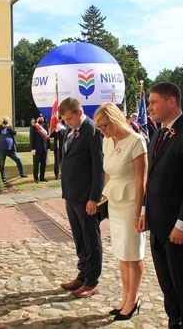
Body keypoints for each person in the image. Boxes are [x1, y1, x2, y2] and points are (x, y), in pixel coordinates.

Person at [138, 82, 183, 329]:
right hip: (158, 223)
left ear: (171, 102)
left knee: (182, 283)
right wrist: (145, 210)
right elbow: (152, 176)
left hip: (179, 227)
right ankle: (174, 323)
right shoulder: (158, 133)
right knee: (167, 285)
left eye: (154, 101)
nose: (149, 107)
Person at [94, 103, 147, 321]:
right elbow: (108, 172)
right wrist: (103, 198)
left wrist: (140, 212)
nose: (103, 131)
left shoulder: (136, 141)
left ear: (116, 119)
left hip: (131, 201)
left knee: (133, 253)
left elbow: (141, 179)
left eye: (105, 126)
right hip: (115, 201)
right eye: (99, 127)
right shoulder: (107, 140)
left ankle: (133, 299)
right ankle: (125, 296)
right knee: (121, 253)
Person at [58, 97, 104, 298]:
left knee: (91, 240)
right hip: (71, 195)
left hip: (86, 197)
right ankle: (82, 274)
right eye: (64, 119)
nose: (66, 122)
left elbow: (98, 168)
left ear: (79, 112)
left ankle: (92, 281)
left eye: (69, 118)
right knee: (79, 239)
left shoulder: (92, 131)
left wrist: (94, 198)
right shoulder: (71, 130)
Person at [0, 116, 27, 182]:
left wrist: (8, 127)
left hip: (11, 150)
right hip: (1, 150)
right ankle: (3, 178)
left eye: (6, 121)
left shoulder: (10, 128)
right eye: (4, 121)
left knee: (18, 160)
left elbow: (14, 133)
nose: (5, 122)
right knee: (2, 164)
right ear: (2, 121)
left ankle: (22, 174)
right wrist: (0, 125)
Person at [29, 115, 50, 183]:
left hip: (44, 149)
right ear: (37, 119)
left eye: (42, 118)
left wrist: (48, 147)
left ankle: (42, 177)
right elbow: (31, 139)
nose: (41, 119)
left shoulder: (45, 127)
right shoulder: (33, 127)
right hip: (37, 149)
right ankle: (36, 178)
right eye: (40, 118)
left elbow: (47, 138)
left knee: (43, 164)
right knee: (36, 164)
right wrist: (32, 148)